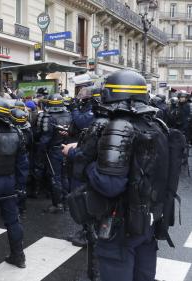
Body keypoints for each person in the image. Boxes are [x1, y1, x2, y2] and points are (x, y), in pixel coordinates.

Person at [64, 70, 182, 281]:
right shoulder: (156, 125)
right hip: (148, 222)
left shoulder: (119, 127)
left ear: (111, 94)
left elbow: (109, 185)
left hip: (121, 227)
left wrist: (88, 163)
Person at [0, 96, 28, 280]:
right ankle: (19, 256)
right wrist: (20, 186)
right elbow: (23, 164)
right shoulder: (17, 133)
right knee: (13, 220)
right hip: (9, 182)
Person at [38, 93, 72, 213]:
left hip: (53, 150)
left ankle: (58, 204)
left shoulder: (49, 117)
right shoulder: (69, 115)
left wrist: (41, 150)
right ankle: (66, 203)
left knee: (55, 177)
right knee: (64, 176)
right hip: (66, 148)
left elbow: (45, 138)